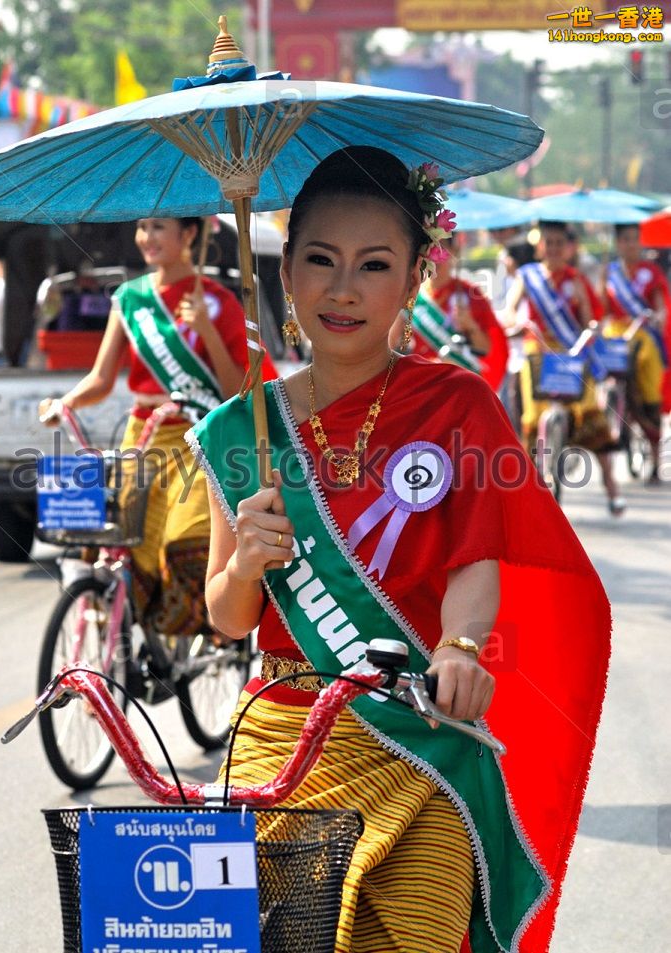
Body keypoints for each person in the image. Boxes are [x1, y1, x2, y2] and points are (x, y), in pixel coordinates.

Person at [186, 148, 610, 953]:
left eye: (373, 265)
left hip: (414, 731)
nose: (342, 289)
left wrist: (458, 648)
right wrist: (245, 563)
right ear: (285, 271)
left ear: (414, 278)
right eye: (320, 261)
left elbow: (474, 558)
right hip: (280, 732)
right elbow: (228, 617)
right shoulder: (239, 432)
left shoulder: (457, 403)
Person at [39, 216, 277, 637]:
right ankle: (138, 639)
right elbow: (102, 378)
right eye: (142, 227)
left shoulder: (219, 301)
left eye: (158, 227)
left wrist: (206, 328)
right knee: (129, 545)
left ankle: (202, 631)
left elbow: (236, 389)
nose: (145, 237)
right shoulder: (130, 298)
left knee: (181, 539)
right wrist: (66, 402)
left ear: (188, 235)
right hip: (143, 435)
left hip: (195, 438)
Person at [506, 220, 625, 515]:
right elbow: (509, 310)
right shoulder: (527, 276)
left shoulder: (576, 279)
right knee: (530, 420)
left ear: (568, 248)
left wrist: (593, 328)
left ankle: (611, 488)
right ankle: (524, 499)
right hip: (538, 353)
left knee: (591, 417)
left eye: (560, 243)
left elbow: (588, 320)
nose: (555, 248)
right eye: (549, 242)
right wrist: (516, 323)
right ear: (539, 246)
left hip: (571, 354)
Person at [393, 234, 508, 391]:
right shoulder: (411, 295)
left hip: (458, 387)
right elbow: (391, 346)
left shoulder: (471, 294)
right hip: (420, 386)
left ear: (454, 251)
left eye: (441, 249)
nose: (434, 257)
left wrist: (470, 326)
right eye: (429, 250)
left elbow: (487, 349)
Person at [601, 222, 669, 484]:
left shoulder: (651, 272)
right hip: (616, 334)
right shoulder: (610, 272)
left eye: (635, 239)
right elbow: (602, 309)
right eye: (626, 239)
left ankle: (654, 460)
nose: (631, 244)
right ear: (618, 243)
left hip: (642, 333)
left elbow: (661, 305)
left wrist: (659, 317)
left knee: (649, 391)